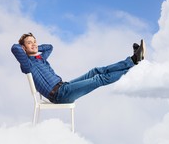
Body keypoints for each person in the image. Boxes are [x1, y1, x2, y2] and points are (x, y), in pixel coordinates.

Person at [11, 33, 145, 104]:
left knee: (94, 71)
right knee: (99, 79)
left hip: (64, 86)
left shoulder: (41, 59)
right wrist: (27, 49)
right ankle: (133, 68)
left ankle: (132, 60)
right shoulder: (27, 64)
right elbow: (14, 48)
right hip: (60, 95)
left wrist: (35, 48)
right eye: (30, 43)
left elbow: (49, 47)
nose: (34, 44)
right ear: (23, 48)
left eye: (35, 41)